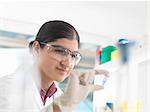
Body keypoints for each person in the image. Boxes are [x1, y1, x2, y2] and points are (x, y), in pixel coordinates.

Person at [0, 20, 109, 112]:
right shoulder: (5, 88)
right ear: (36, 48)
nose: (67, 63)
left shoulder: (60, 97)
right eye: (60, 51)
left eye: (73, 55)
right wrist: (60, 106)